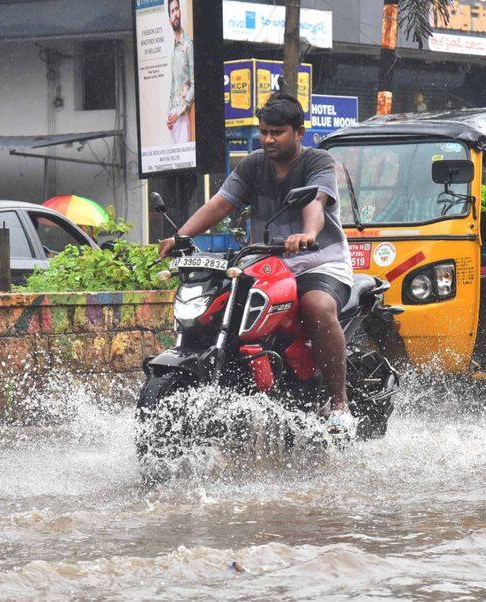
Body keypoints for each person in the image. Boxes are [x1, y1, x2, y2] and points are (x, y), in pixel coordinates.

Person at [158, 93, 355, 436]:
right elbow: (220, 203)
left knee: (317, 305)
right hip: (267, 264)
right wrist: (180, 236)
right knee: (222, 309)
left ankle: (339, 405)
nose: (267, 139)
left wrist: (307, 234)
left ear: (299, 132)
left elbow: (315, 203)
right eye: (264, 131)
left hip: (318, 263)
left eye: (276, 132)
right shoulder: (253, 165)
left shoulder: (318, 162)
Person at [166, 0, 194, 145]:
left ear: (180, 11)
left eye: (177, 9)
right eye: (172, 11)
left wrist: (181, 111)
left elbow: (195, 83)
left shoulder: (188, 45)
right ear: (169, 19)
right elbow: (173, 84)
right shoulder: (174, 50)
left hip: (183, 115)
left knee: (184, 160)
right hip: (173, 115)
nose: (175, 14)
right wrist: (169, 114)